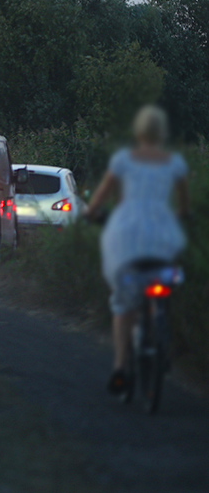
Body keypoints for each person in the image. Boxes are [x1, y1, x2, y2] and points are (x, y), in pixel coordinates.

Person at [85, 105, 189, 394]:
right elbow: (183, 206)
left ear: (139, 131)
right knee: (165, 280)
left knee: (123, 305)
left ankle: (120, 368)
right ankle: (163, 332)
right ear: (162, 133)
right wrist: (180, 216)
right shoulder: (175, 164)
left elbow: (99, 199)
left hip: (128, 241)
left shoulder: (122, 161)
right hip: (163, 238)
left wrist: (91, 213)